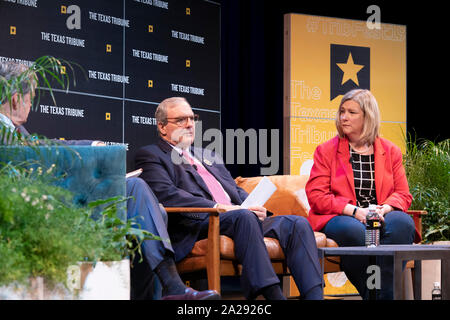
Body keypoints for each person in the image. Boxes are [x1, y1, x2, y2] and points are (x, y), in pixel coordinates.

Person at [1, 60, 219, 300]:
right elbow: (42, 151)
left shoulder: (16, 131)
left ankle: (168, 288)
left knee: (145, 203)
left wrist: (91, 146)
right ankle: (171, 286)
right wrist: (91, 148)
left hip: (52, 204)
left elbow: (47, 146)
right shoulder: (6, 133)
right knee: (137, 191)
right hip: (39, 210)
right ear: (14, 99)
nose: (31, 104)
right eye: (30, 97)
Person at [135, 97, 324, 300]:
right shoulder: (151, 155)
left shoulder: (207, 155)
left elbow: (233, 190)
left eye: (192, 118)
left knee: (297, 224)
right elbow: (168, 195)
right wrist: (221, 207)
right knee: (243, 217)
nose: (190, 124)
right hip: (199, 223)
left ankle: (314, 297)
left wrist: (255, 206)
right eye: (181, 120)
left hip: (238, 218)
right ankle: (273, 295)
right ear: (162, 127)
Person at [305, 89, 417, 300]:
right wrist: (355, 211)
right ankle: (378, 297)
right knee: (355, 231)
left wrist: (386, 208)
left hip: (380, 214)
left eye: (351, 112)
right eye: (342, 111)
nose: (343, 117)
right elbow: (316, 195)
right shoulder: (326, 151)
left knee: (402, 223)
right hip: (343, 215)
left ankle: (378, 296)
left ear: (368, 116)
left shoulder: (390, 151)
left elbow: (403, 194)